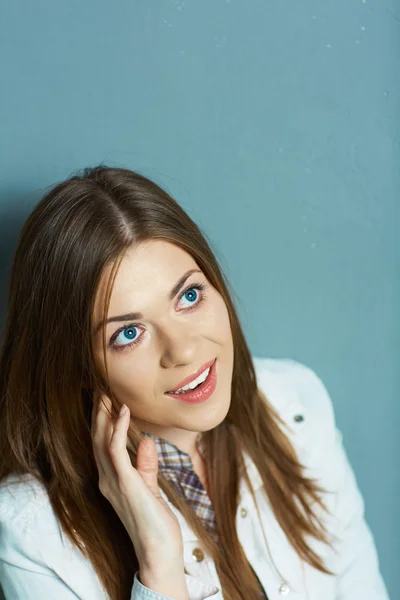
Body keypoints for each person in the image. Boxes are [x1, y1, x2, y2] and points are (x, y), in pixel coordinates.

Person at [0, 166, 390, 600]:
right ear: (77, 366)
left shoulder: (296, 403)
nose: (183, 351)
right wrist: (158, 562)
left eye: (189, 296)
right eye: (128, 333)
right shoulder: (28, 530)